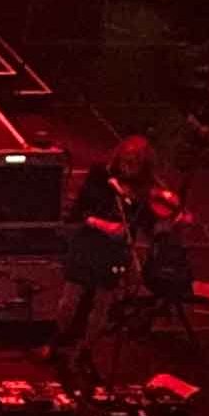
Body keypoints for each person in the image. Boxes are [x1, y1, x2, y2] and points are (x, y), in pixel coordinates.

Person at [45, 135, 177, 368]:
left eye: (135, 162)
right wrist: (103, 225)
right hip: (89, 242)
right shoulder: (101, 175)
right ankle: (57, 340)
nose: (129, 166)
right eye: (126, 159)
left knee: (102, 304)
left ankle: (85, 351)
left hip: (115, 250)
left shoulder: (143, 190)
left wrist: (170, 222)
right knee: (69, 300)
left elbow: (148, 224)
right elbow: (81, 210)